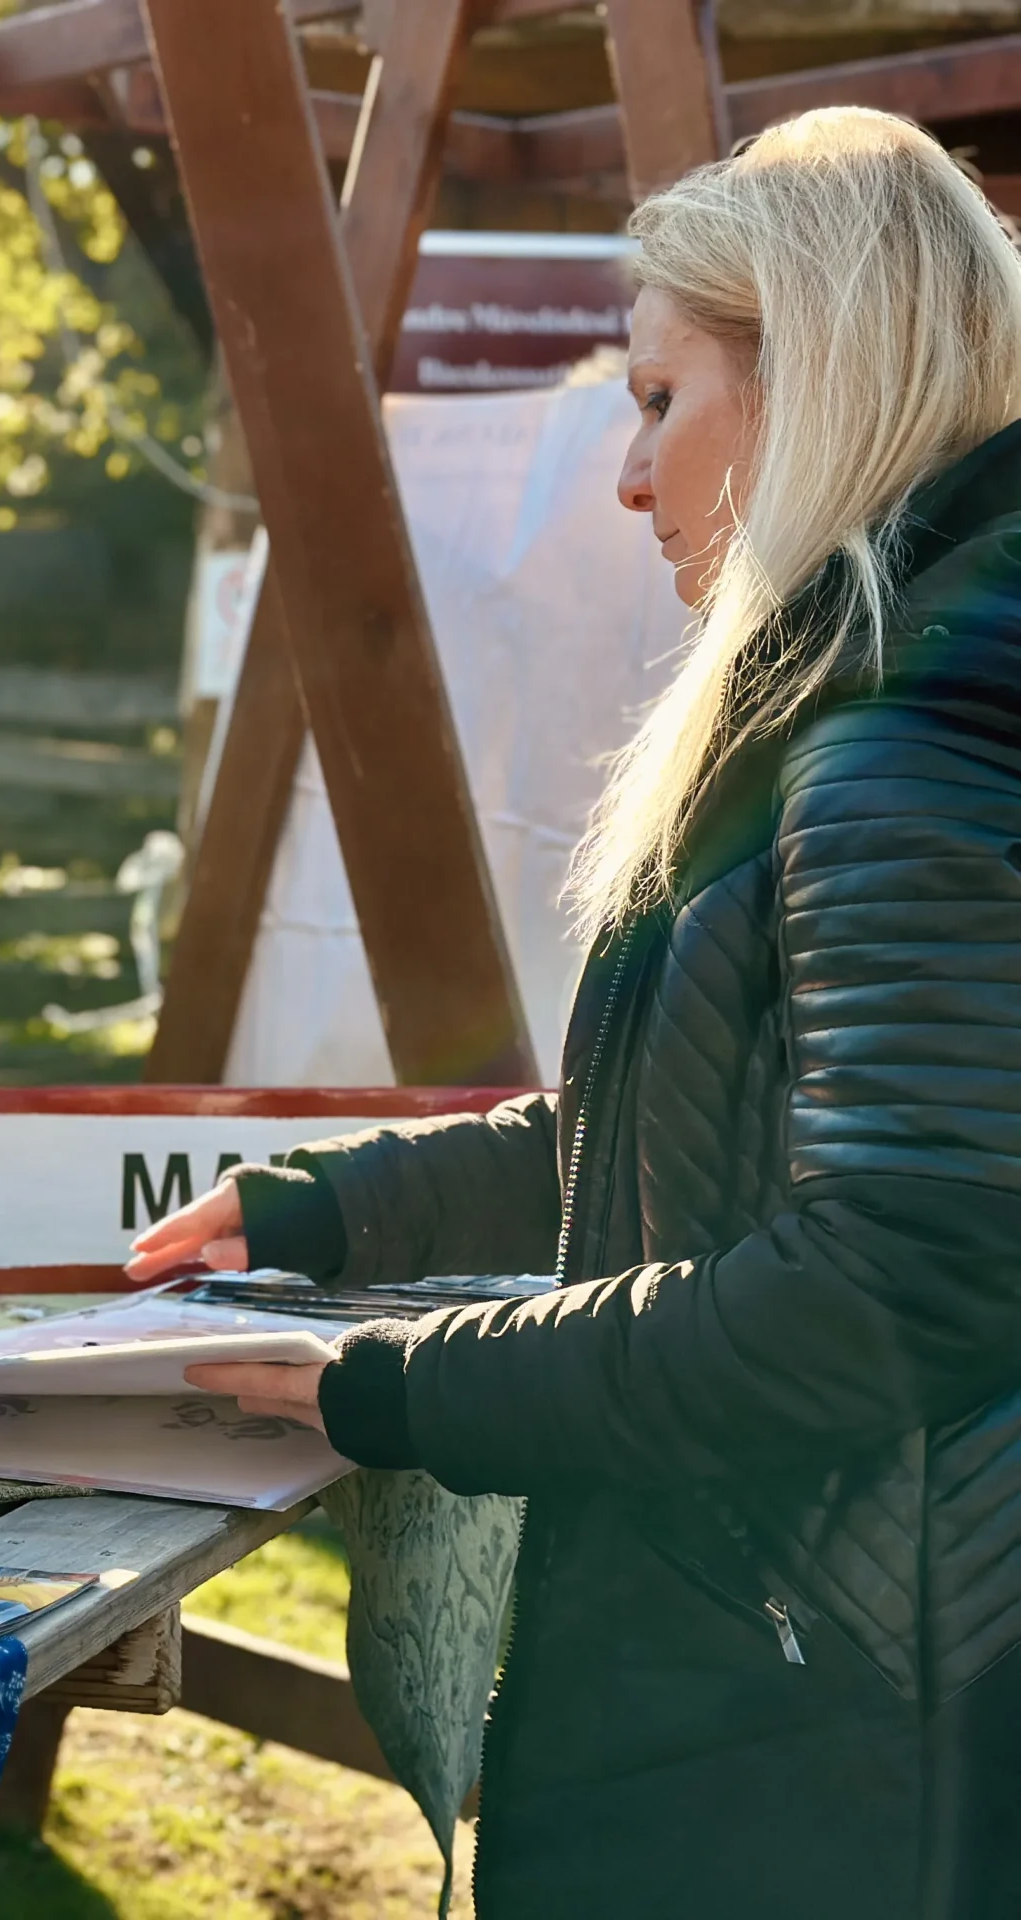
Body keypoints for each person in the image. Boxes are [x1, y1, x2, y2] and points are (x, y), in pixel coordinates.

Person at [130, 109, 1021, 1914]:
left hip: (807, 1746)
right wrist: (335, 1211)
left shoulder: (900, 748)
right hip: (791, 1681)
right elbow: (692, 1137)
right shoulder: (887, 696)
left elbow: (901, 1277)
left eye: (660, 399)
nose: (627, 477)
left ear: (817, 379)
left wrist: (397, 1385)